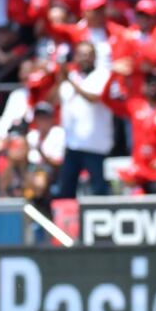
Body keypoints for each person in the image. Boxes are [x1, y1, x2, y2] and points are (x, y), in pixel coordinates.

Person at [56, 42, 114, 197]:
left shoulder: (103, 75)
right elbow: (53, 99)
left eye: (89, 54)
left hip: (95, 146)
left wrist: (69, 81)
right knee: (66, 191)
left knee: (99, 191)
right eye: (81, 54)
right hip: (72, 144)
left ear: (95, 57)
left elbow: (93, 98)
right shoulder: (71, 78)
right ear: (75, 57)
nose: (85, 58)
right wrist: (59, 80)